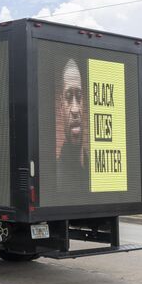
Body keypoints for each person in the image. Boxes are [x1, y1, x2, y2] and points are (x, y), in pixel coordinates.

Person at [56, 58, 89, 192]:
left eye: (79, 96)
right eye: (69, 97)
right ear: (61, 106)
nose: (75, 109)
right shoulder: (56, 173)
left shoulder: (93, 169)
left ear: (84, 103)